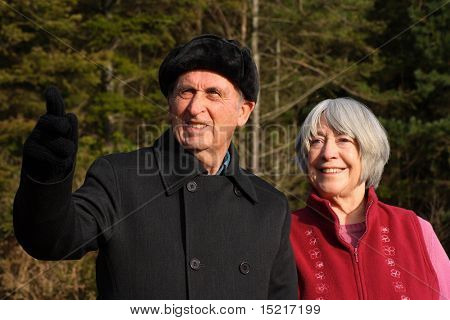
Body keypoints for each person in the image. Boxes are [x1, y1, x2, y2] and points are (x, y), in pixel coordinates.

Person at [13, 35, 297, 299]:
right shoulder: (119, 177)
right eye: (185, 91)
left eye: (213, 93)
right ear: (170, 103)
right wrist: (47, 176)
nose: (195, 108)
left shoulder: (270, 206)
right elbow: (50, 240)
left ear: (243, 111)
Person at [290, 98, 449, 300]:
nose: (328, 153)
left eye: (343, 139)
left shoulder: (416, 229)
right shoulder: (282, 234)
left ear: (369, 150)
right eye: (316, 141)